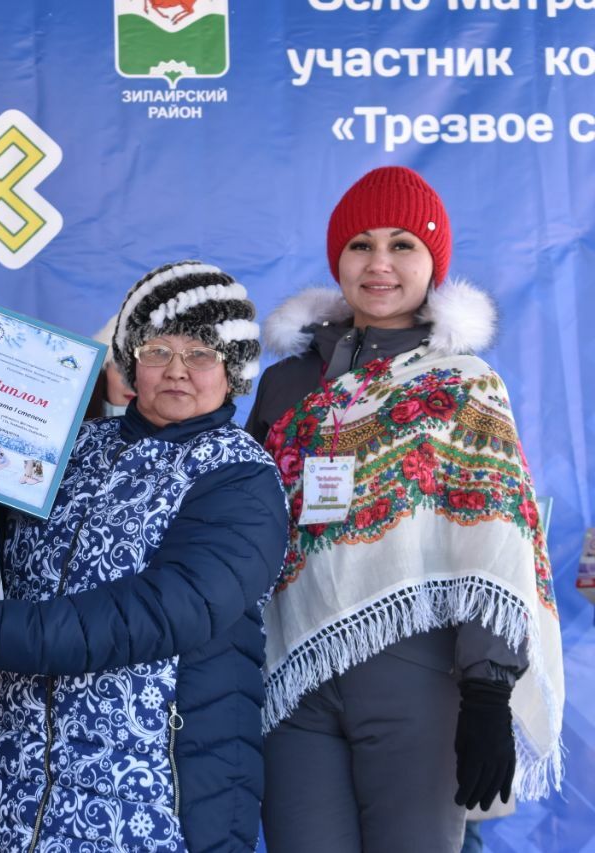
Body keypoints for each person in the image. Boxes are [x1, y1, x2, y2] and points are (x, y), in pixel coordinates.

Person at [0, 261, 289, 852]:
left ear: (233, 371)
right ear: (132, 360)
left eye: (202, 353)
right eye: (158, 350)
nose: (177, 370)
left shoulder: (241, 475)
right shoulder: (73, 447)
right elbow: (0, 559)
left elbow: (171, 608)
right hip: (20, 788)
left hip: (155, 791)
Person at [247, 166, 564, 853]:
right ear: (337, 259)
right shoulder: (285, 383)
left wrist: (487, 691)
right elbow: (244, 522)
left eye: (403, 245)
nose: (380, 263)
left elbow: (499, 539)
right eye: (360, 244)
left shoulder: (464, 384)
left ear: (434, 262)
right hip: (291, 673)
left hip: (418, 670)